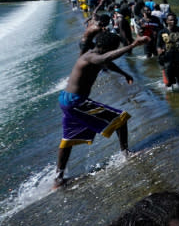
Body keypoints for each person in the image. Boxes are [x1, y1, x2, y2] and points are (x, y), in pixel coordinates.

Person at [55, 32, 149, 186]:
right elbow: (105, 59)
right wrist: (132, 45)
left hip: (68, 100)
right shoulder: (90, 56)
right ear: (108, 47)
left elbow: (107, 63)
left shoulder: (94, 55)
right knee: (121, 119)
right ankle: (126, 153)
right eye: (114, 48)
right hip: (76, 102)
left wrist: (124, 73)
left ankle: (58, 179)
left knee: (69, 139)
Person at [156, 13, 179, 90]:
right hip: (167, 61)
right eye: (171, 20)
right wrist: (160, 51)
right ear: (167, 21)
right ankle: (170, 100)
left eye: (175, 20)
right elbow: (158, 46)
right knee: (169, 84)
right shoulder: (162, 32)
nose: (173, 21)